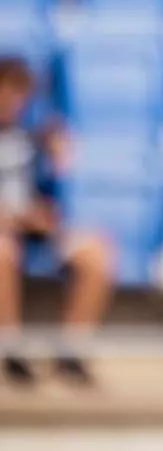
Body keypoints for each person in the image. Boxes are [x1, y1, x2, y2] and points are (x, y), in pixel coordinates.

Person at [0, 57, 114, 387]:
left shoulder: (31, 139)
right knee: (2, 250)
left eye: (19, 94)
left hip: (33, 229)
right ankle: (10, 350)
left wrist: (56, 157)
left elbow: (51, 193)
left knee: (94, 250)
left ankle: (71, 352)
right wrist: (15, 217)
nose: (13, 102)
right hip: (7, 230)